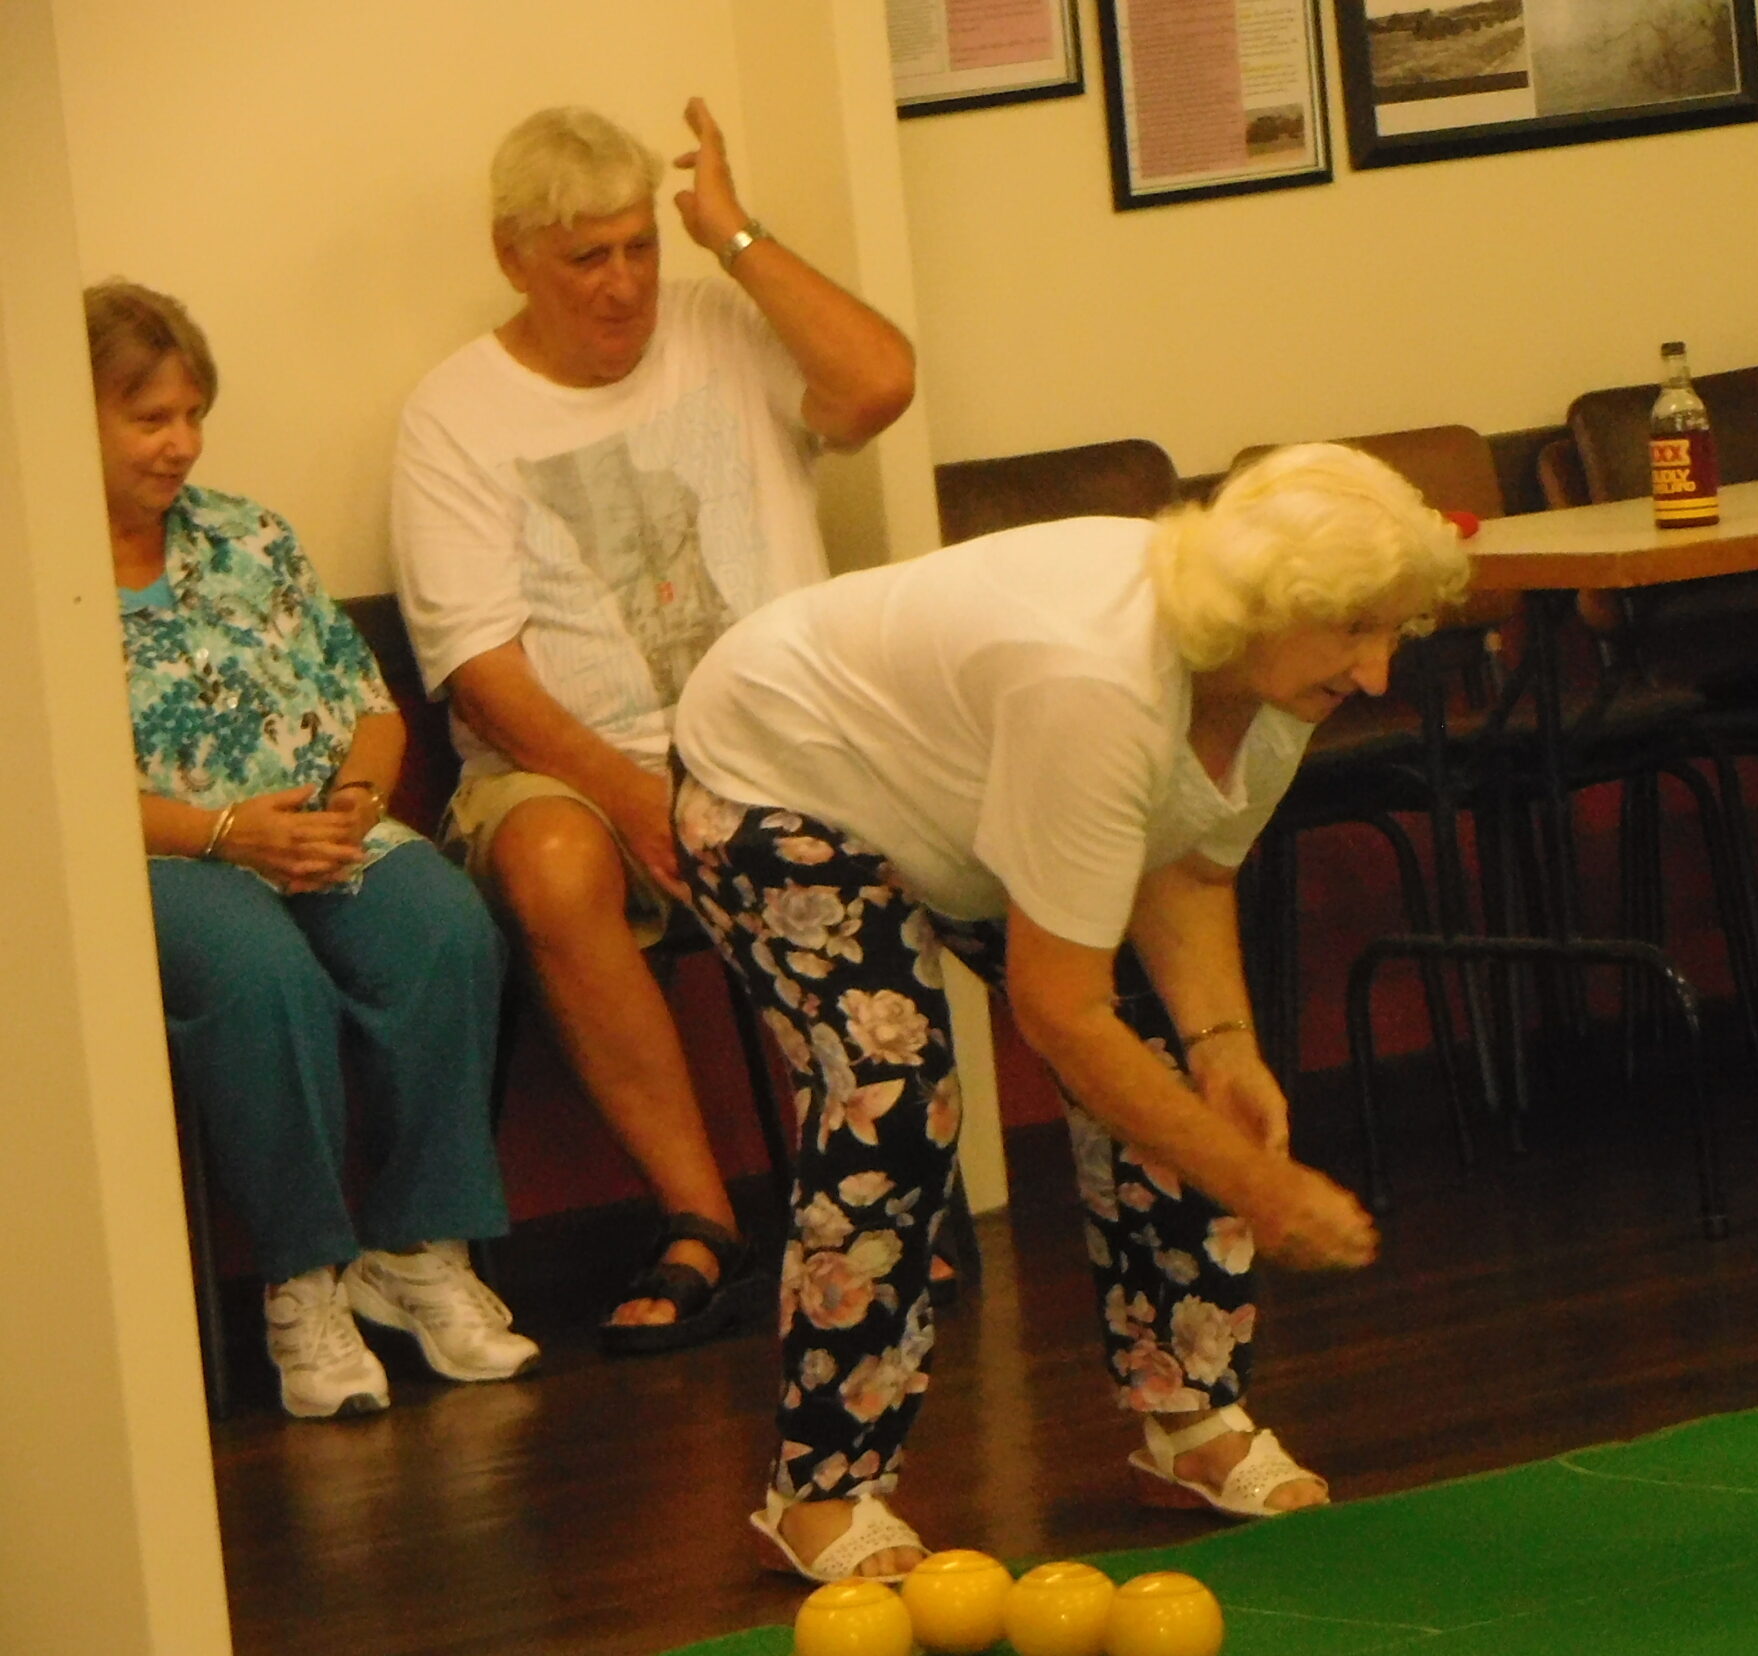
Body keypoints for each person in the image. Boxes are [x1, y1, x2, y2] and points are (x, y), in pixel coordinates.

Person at [670, 443, 1471, 1581]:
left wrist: (1221, 1044)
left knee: (1172, 1073)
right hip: (782, 770)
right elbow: (1061, 1013)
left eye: (1393, 632)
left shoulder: (1276, 679)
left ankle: (1192, 1423)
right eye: (1354, 631)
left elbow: (1182, 861)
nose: (1379, 672)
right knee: (893, 1105)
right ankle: (823, 1491)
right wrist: (1266, 1189)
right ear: (1263, 606)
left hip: (970, 776)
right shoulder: (1094, 682)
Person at [391, 100, 915, 1355]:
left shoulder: (727, 322)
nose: (624, 283)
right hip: (570, 765)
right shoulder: (453, 413)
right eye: (588, 258)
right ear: (515, 258)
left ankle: (878, 1196)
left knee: (895, 820)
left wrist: (731, 235)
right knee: (552, 861)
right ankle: (699, 1218)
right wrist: (634, 798)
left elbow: (881, 382)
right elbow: (481, 674)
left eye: (640, 247)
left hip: (779, 735)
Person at [91, 280, 533, 1419]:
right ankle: (302, 1281)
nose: (180, 443)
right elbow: (44, 788)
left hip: (314, 828)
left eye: (192, 413)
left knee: (441, 925)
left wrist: (348, 802)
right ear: (65, 419)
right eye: (149, 419)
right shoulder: (29, 577)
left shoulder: (250, 537)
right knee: (259, 974)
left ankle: (417, 1252)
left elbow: (370, 707)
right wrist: (230, 833)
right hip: (162, 857)